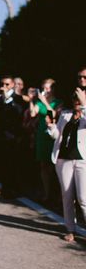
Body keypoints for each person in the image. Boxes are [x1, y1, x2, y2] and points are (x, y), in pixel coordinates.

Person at [47, 93, 86, 243]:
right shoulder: (65, 114)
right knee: (67, 196)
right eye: (75, 98)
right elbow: (57, 135)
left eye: (80, 98)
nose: (76, 101)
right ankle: (70, 229)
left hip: (83, 161)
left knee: (83, 198)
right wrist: (51, 126)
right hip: (64, 160)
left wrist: (84, 106)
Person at [0, 76, 26, 198]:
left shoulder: (18, 98)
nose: (4, 87)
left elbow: (18, 114)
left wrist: (9, 100)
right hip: (1, 135)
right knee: (2, 163)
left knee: (12, 164)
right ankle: (4, 188)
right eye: (2, 84)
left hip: (13, 136)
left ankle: (12, 189)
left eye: (7, 84)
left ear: (12, 85)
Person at [30, 79, 62, 203]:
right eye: (43, 88)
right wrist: (33, 100)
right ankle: (47, 193)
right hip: (42, 135)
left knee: (55, 166)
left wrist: (45, 102)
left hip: (53, 135)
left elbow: (54, 114)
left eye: (47, 88)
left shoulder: (58, 102)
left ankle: (59, 195)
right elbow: (33, 113)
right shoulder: (40, 102)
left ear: (53, 89)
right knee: (43, 165)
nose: (45, 91)